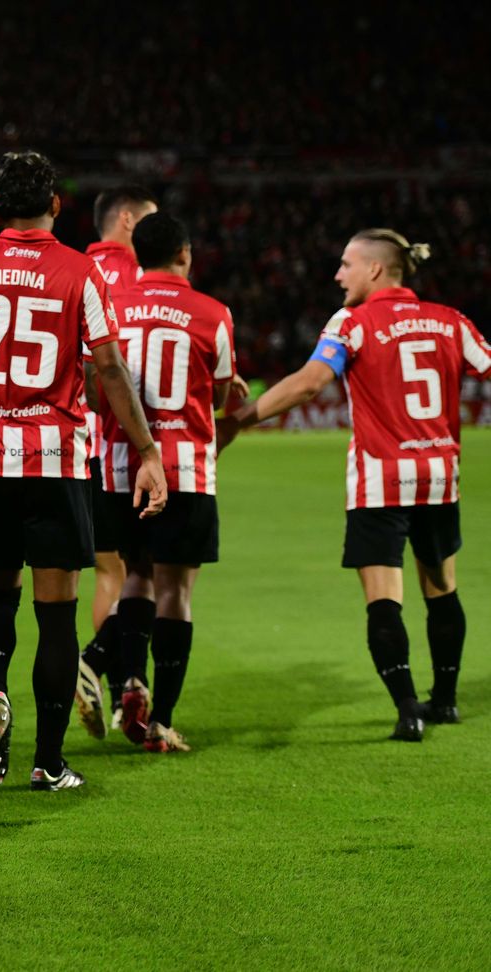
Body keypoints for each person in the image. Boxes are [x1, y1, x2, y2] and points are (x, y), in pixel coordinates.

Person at [0, 150, 166, 791]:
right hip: (55, 463)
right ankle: (49, 761)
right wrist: (148, 450)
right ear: (55, 205)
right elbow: (108, 369)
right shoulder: (80, 271)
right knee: (56, 616)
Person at [223, 229, 491, 741]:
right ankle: (448, 701)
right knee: (441, 589)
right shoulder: (451, 321)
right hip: (439, 478)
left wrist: (240, 419)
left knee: (383, 601)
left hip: (380, 482)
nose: (337, 274)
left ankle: (408, 708)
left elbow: (309, 383)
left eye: (346, 264)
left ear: (374, 270)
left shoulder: (353, 323)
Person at [94, 213, 235, 752]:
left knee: (136, 577)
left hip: (123, 466)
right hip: (186, 469)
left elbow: (96, 384)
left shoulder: (114, 306)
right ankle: (161, 721)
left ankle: (130, 680)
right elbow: (220, 398)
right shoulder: (213, 312)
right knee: (176, 590)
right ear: (185, 253)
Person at [78, 186, 158, 733]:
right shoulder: (148, 278)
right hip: (130, 443)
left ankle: (112, 681)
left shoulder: (77, 268)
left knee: (109, 572)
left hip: (78, 444)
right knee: (145, 573)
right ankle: (124, 673)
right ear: (127, 221)